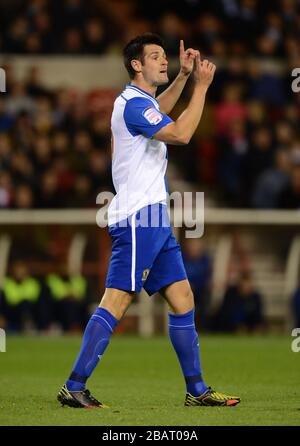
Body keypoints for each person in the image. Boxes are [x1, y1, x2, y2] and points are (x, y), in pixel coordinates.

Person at [57, 33, 240, 408]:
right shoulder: (132, 105)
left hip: (155, 218)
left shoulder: (141, 103)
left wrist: (184, 78)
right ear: (136, 65)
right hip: (139, 219)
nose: (164, 61)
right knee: (118, 301)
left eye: (163, 56)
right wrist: (201, 87)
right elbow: (182, 133)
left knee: (183, 298)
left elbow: (162, 108)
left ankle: (196, 390)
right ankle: (74, 385)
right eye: (155, 57)